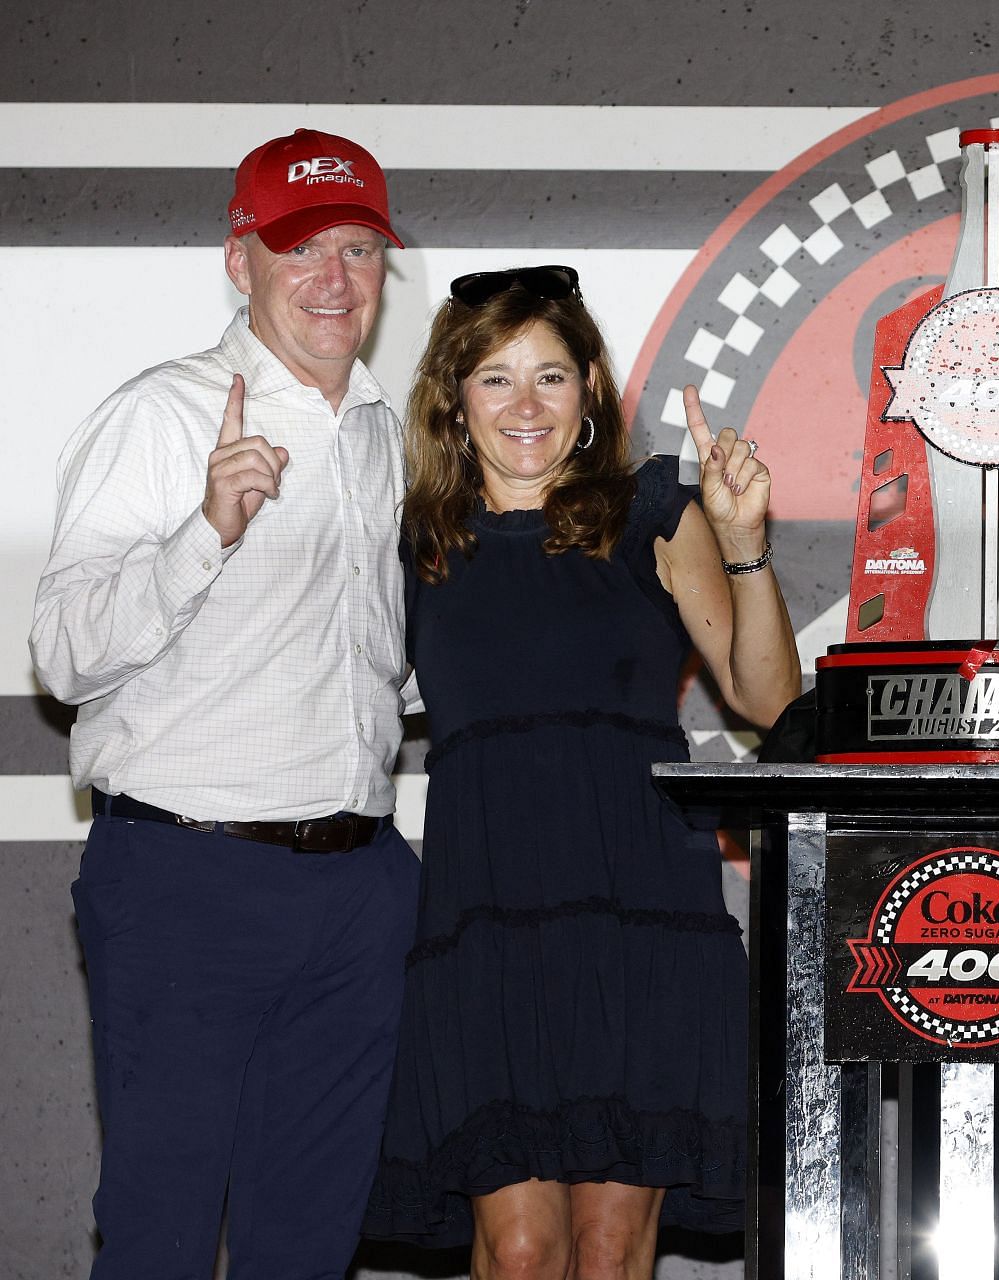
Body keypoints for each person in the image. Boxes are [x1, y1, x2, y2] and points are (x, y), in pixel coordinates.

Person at [30, 129, 417, 1277]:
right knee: (159, 1231)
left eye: (358, 247)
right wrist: (204, 535)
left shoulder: (386, 436)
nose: (334, 279)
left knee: (309, 1242)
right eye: (301, 248)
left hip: (356, 882)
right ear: (239, 258)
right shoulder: (164, 414)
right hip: (190, 880)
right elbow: (60, 651)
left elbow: (375, 659)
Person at [361, 264, 799, 1277]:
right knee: (520, 1248)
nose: (526, 405)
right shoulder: (415, 539)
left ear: (591, 390)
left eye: (551, 376)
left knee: (607, 1249)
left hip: (639, 911)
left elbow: (767, 699)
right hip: (486, 923)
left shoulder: (652, 511)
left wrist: (743, 546)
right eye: (496, 377)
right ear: (453, 400)